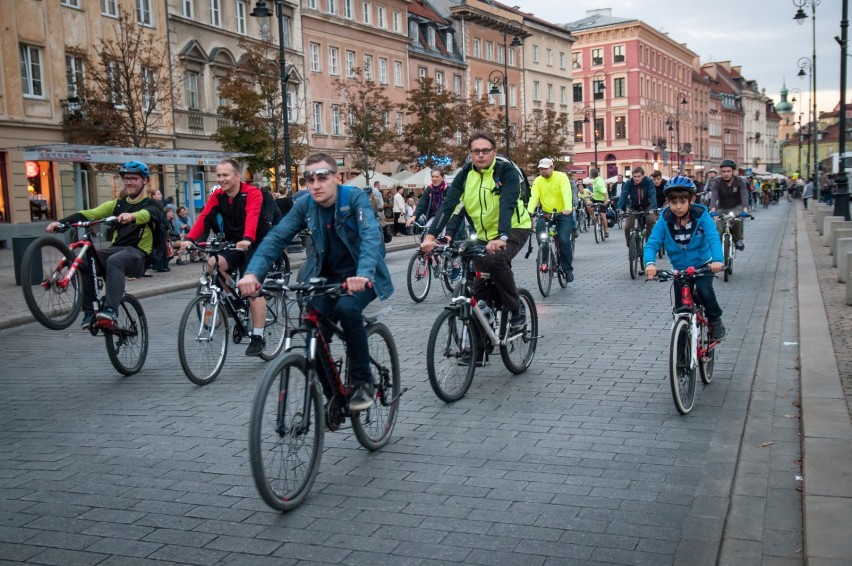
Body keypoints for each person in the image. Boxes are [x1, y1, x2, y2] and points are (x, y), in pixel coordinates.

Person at [237, 152, 393, 411]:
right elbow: (277, 237)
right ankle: (333, 393)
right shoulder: (305, 205)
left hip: (361, 276)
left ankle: (363, 382)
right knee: (311, 327)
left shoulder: (353, 198)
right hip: (326, 277)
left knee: (347, 308)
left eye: (322, 177)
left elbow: (370, 237)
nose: (315, 184)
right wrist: (253, 273)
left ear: (336, 177)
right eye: (309, 178)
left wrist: (364, 274)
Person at [421, 130, 532, 331]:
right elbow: (450, 207)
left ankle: (516, 308)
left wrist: (503, 236)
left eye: (485, 151)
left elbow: (507, 204)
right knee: (480, 291)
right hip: (483, 235)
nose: (480, 155)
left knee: (495, 259)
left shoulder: (506, 172)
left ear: (494, 151)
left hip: (514, 228)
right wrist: (431, 237)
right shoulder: (465, 175)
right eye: (475, 151)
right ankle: (476, 351)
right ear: (470, 154)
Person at [46, 161, 160, 329]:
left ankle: (110, 311)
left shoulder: (152, 204)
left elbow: (147, 214)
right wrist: (61, 223)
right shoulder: (117, 204)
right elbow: (90, 214)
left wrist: (132, 216)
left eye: (134, 178)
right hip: (116, 250)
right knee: (84, 259)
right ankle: (89, 313)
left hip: (139, 254)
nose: (129, 182)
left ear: (145, 181)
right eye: (126, 178)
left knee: (115, 260)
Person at [173, 159, 269, 356]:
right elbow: (204, 217)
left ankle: (258, 335)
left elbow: (252, 215)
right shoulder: (218, 195)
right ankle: (234, 300)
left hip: (255, 243)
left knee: (252, 288)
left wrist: (248, 238)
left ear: (237, 176)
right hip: (234, 243)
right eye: (218, 175)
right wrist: (190, 239)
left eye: (225, 175)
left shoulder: (252, 193)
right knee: (212, 264)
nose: (221, 179)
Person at [644, 175, 726, 340]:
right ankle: (680, 357)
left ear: (692, 200)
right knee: (680, 310)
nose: (678, 207)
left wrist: (717, 260)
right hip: (680, 269)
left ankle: (715, 319)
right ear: (668, 202)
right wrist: (650, 264)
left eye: (682, 202)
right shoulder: (665, 220)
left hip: (703, 265)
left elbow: (713, 238)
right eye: (674, 203)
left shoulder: (703, 216)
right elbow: (652, 243)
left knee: (704, 289)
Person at [527, 157, 575, 282]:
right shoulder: (538, 180)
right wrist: (530, 210)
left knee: (564, 240)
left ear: (552, 167)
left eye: (545, 169)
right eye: (541, 169)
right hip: (546, 213)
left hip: (563, 213)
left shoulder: (561, 177)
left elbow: (566, 192)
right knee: (541, 236)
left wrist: (568, 208)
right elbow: (534, 196)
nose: (543, 171)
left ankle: (568, 269)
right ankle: (546, 261)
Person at [708, 159, 749, 250]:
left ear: (733, 171)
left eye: (728, 171)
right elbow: (714, 196)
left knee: (738, 219)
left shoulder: (739, 181)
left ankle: (739, 240)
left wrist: (745, 209)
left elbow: (744, 195)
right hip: (722, 207)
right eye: (724, 171)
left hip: (736, 206)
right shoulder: (717, 182)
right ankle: (718, 246)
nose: (726, 174)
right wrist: (713, 210)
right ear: (721, 172)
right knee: (718, 226)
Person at [617, 166, 658, 247]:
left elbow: (652, 194)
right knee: (627, 227)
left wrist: (654, 207)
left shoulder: (648, 182)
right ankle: (630, 246)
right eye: (634, 176)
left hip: (647, 206)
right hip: (634, 207)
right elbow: (624, 194)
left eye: (638, 176)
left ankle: (648, 240)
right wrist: (619, 208)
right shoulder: (629, 183)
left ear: (643, 176)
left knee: (650, 221)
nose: (636, 178)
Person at [407, 169, 448, 233]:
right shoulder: (429, 189)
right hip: (433, 217)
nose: (434, 179)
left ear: (442, 178)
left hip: (446, 219)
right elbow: (422, 204)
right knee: (426, 234)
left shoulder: (448, 190)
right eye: (433, 176)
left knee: (443, 239)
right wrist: (414, 217)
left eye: (437, 177)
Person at [589, 169, 609, 238]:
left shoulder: (599, 182)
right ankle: (594, 217)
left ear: (591, 175)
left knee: (603, 216)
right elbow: (597, 191)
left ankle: (606, 231)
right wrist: (592, 195)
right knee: (588, 205)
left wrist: (606, 200)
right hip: (595, 199)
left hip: (602, 200)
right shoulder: (596, 180)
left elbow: (604, 192)